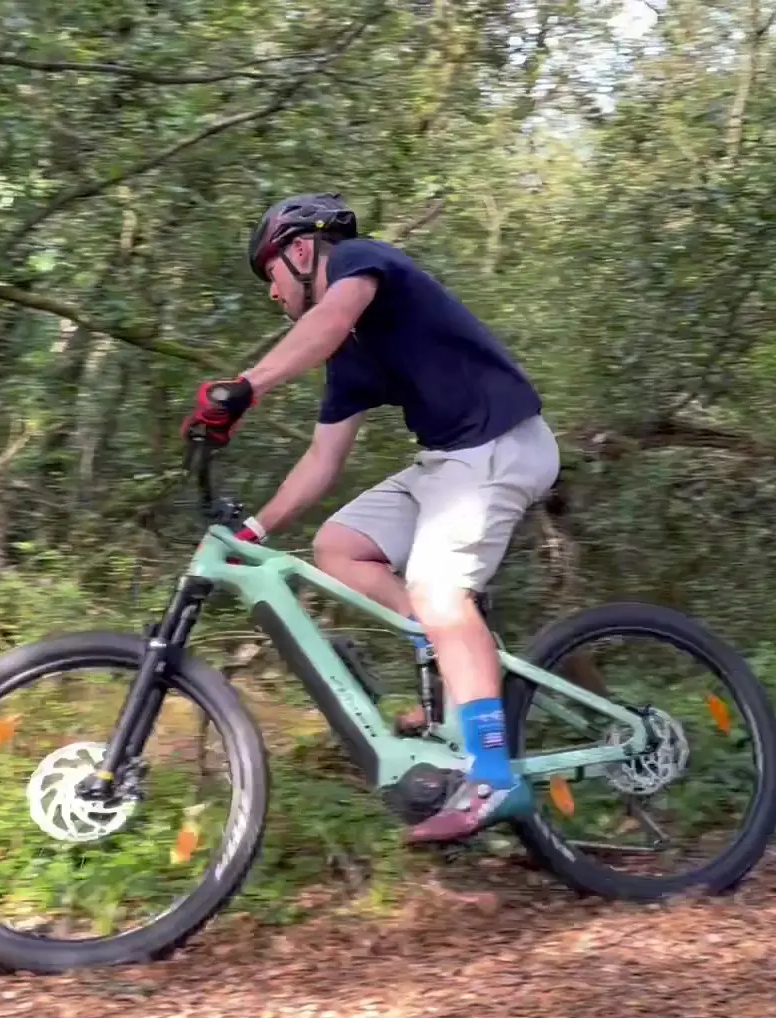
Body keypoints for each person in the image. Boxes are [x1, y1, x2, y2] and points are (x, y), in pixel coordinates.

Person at [182, 192, 561, 844]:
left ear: (300, 251)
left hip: (501, 444)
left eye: (269, 274)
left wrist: (246, 387)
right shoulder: (349, 359)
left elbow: (327, 319)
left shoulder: (362, 262)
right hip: (448, 460)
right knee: (339, 548)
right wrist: (257, 531)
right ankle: (445, 652)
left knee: (439, 590)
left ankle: (495, 774)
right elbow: (323, 459)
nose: (272, 294)